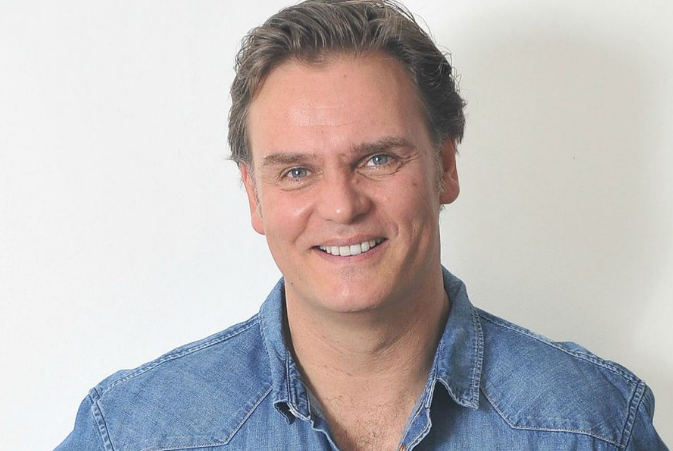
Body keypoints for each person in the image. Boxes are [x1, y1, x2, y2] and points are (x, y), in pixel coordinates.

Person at [56, 1, 668, 450]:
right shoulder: (135, 434)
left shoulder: (589, 427)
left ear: (445, 168)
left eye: (378, 159)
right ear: (254, 196)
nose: (342, 206)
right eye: (296, 171)